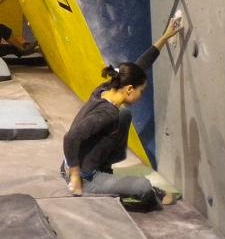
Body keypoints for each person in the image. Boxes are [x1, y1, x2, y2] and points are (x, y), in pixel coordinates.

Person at [61, 18, 183, 211]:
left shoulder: (106, 88)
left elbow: (140, 66)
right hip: (85, 178)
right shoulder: (107, 113)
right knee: (143, 186)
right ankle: (98, 184)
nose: (141, 95)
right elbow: (70, 137)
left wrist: (165, 37)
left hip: (78, 162)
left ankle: (102, 169)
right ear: (129, 89)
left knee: (124, 115)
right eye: (141, 91)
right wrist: (75, 176)